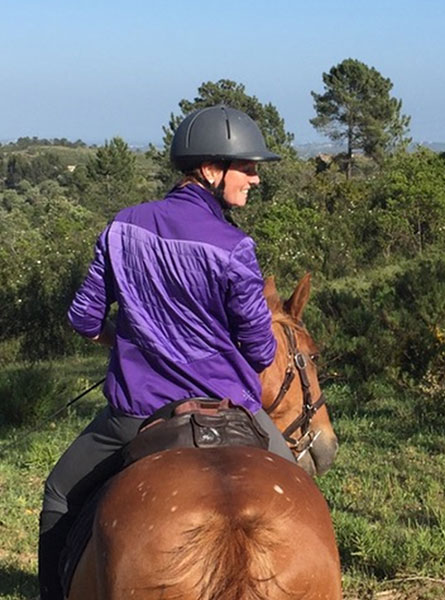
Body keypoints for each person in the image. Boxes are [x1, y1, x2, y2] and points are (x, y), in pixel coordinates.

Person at [38, 105, 295, 600]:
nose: (256, 178)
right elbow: (261, 349)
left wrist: (125, 342)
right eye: (248, 166)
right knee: (300, 491)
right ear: (211, 169)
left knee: (60, 494)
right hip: (232, 410)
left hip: (136, 412)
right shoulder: (235, 247)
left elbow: (84, 319)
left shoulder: (121, 229)